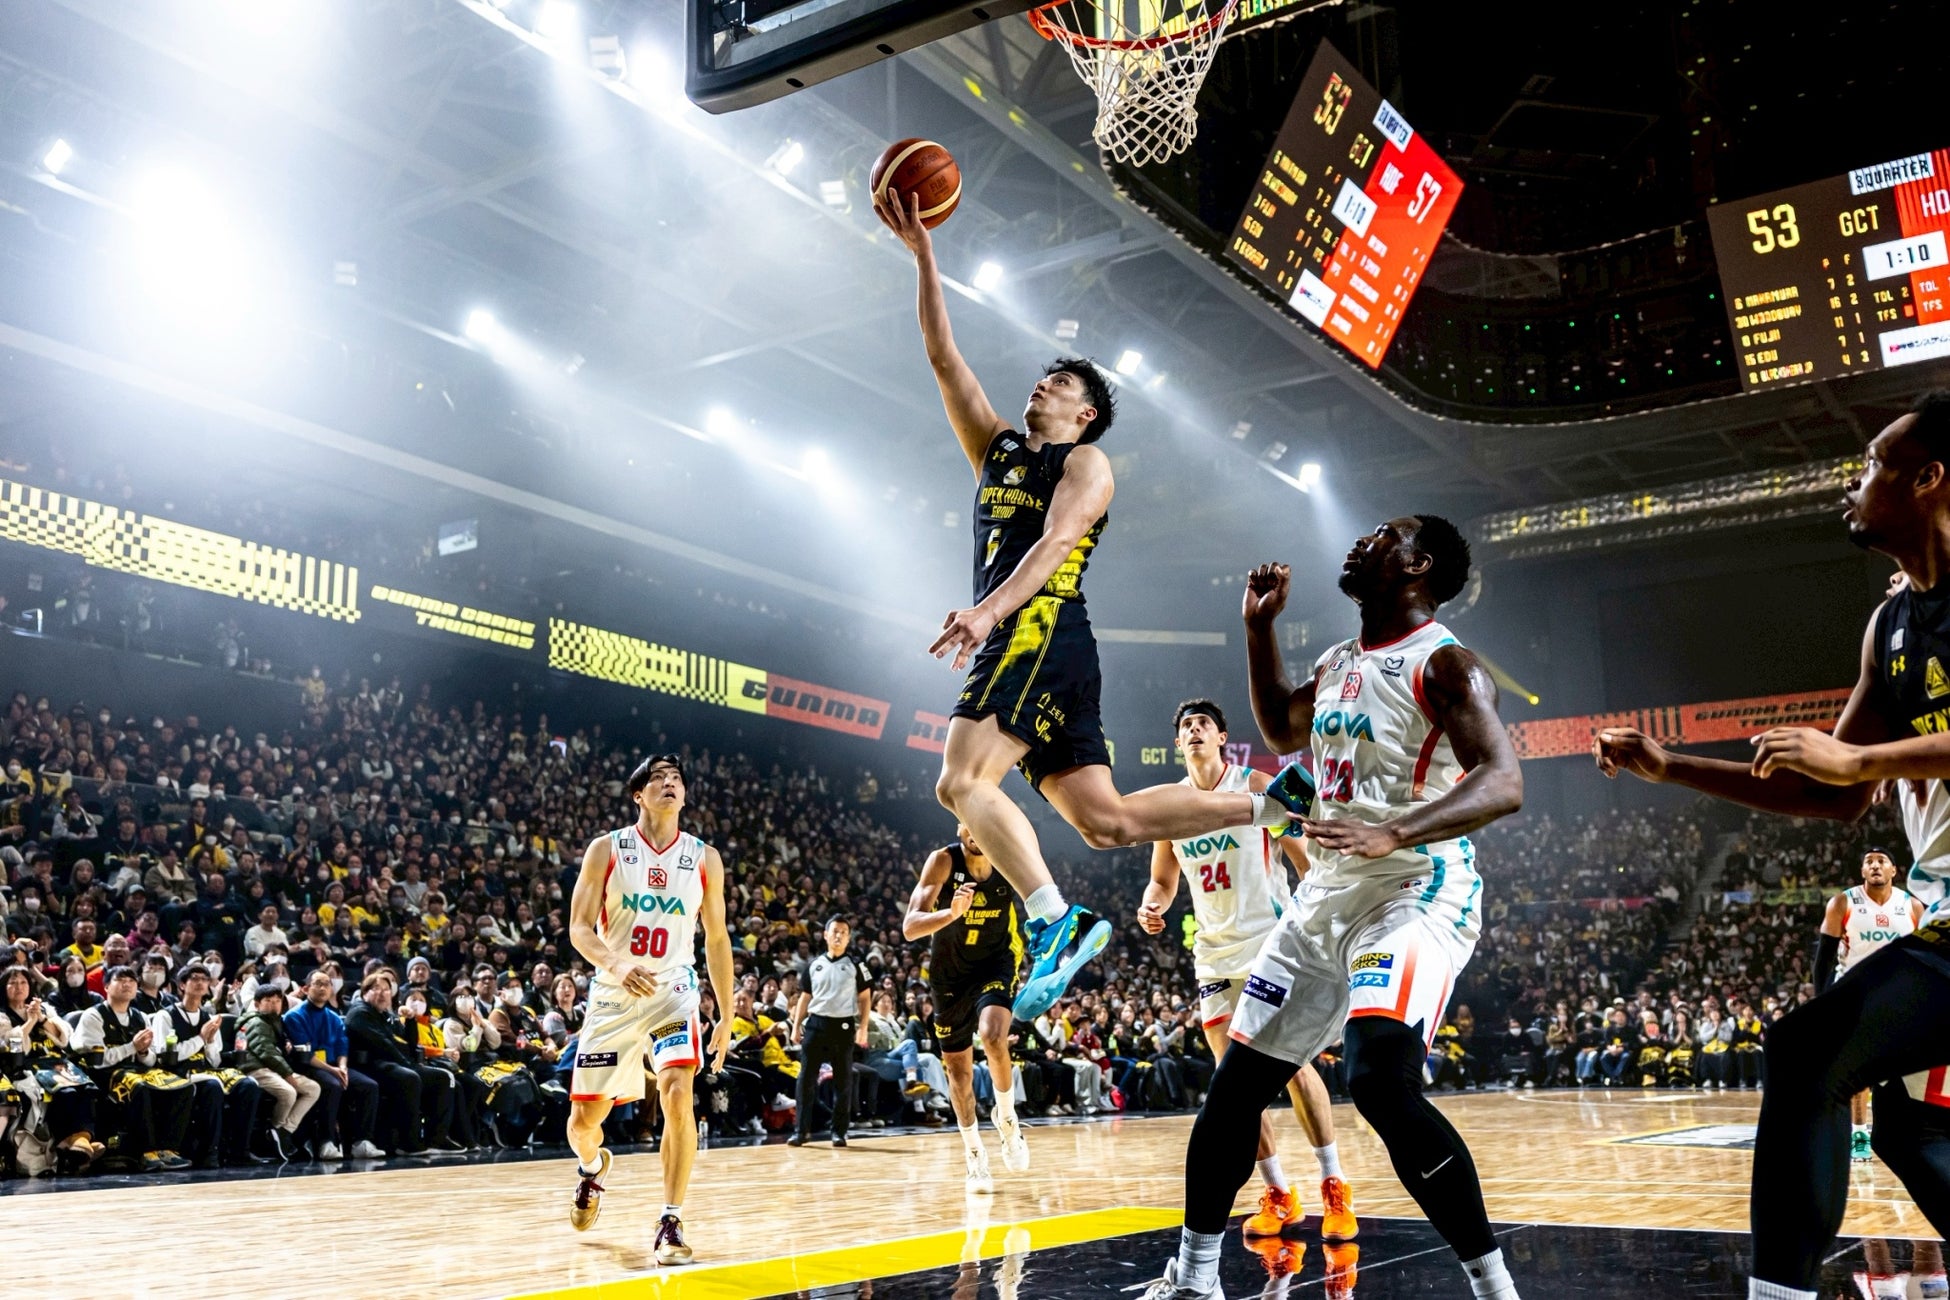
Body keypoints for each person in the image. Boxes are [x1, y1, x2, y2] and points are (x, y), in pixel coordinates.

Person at [874, 191, 1309, 1023]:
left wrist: (986, 614)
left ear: (1087, 414)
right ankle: (1277, 804)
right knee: (1106, 823)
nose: (1044, 382)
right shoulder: (998, 452)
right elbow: (941, 356)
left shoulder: (1086, 465)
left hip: (1037, 627)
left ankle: (1053, 919)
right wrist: (924, 254)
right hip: (1046, 644)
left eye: (1064, 382)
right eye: (1044, 375)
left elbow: (1054, 546)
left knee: (960, 780)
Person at [1594, 391, 1950, 1300]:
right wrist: (1671, 766)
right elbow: (1832, 795)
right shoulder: (1892, 626)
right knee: (1906, 1128)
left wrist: (1861, 756)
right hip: (1947, 909)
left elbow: (1852, 765)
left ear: (1930, 480)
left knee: (1810, 1055)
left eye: (1873, 464)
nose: (1853, 482)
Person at [1142, 518, 1525, 1300]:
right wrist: (1259, 630)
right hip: (1326, 894)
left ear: (1417, 565)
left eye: (1385, 536)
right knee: (1234, 1090)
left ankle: (1495, 1289)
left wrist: (1395, 830)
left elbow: (1503, 780)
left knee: (1378, 1078)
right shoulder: (1337, 661)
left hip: (1414, 885)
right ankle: (1197, 1281)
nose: (1362, 541)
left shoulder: (1446, 663)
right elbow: (1283, 730)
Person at [1138, 698, 1357, 1244]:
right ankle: (1280, 1194)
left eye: (1204, 724)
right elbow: (1163, 879)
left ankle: (1334, 1186)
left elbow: (1301, 853)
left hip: (1270, 944)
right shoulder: (1173, 806)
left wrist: (1317, 909)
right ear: (1178, 743)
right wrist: (1152, 904)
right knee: (1231, 1084)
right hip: (1213, 955)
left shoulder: (1254, 784)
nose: (1194, 730)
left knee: (1292, 1066)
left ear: (1221, 737)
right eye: (1186, 726)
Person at [563, 754, 734, 1267]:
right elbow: (578, 929)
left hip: (672, 988)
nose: (670, 783)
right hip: (614, 993)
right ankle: (592, 1168)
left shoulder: (704, 857)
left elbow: (717, 938)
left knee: (678, 1092)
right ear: (638, 794)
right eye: (659, 777)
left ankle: (670, 1219)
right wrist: (616, 964)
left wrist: (726, 1014)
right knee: (583, 1123)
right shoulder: (606, 849)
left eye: (677, 778)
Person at [903, 824, 1030, 1194]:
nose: (976, 829)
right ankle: (974, 1154)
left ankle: (1007, 1119)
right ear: (959, 825)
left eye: (981, 820)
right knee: (958, 1075)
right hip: (950, 976)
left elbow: (1042, 900)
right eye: (968, 821)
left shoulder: (1008, 857)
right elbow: (910, 927)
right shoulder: (942, 861)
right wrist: (951, 913)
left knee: (993, 1035)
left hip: (995, 963)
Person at [1815, 848, 1924, 1158]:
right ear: (1862, 871)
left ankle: (1901, 1130)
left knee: (1905, 1071)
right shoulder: (1842, 903)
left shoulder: (1912, 906)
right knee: (1859, 1068)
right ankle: (1859, 1133)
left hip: (1898, 996)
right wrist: (1821, 1002)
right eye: (1868, 862)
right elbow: (1824, 958)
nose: (1875, 865)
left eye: (1881, 861)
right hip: (1855, 994)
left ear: (1893, 871)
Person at [789, 915, 871, 1149]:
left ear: (849, 937)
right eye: (835, 931)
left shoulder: (857, 965)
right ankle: (801, 1131)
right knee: (805, 1080)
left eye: (843, 932)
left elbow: (865, 997)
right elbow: (805, 997)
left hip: (842, 1027)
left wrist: (863, 1027)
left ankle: (839, 1132)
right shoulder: (814, 965)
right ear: (825, 935)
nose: (838, 935)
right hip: (816, 1025)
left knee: (843, 1082)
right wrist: (796, 1026)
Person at [284, 968, 384, 1161]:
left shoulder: (334, 1017)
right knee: (332, 1085)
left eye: (327, 984)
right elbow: (305, 1052)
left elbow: (341, 1046)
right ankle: (326, 1142)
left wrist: (343, 1068)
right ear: (306, 988)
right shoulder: (294, 1016)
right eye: (318, 984)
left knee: (369, 1086)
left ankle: (362, 1142)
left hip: (334, 1065)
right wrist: (334, 1070)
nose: (323, 988)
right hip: (308, 1066)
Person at [235, 982, 318, 1161]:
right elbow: (266, 1052)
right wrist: (288, 1075)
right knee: (288, 1092)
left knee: (313, 1088)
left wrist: (285, 1045)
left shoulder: (276, 1022)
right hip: (256, 1069)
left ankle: (282, 1132)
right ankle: (274, 1131)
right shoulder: (255, 1022)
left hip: (275, 1070)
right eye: (268, 1001)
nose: (274, 1005)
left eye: (277, 1001)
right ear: (257, 1004)